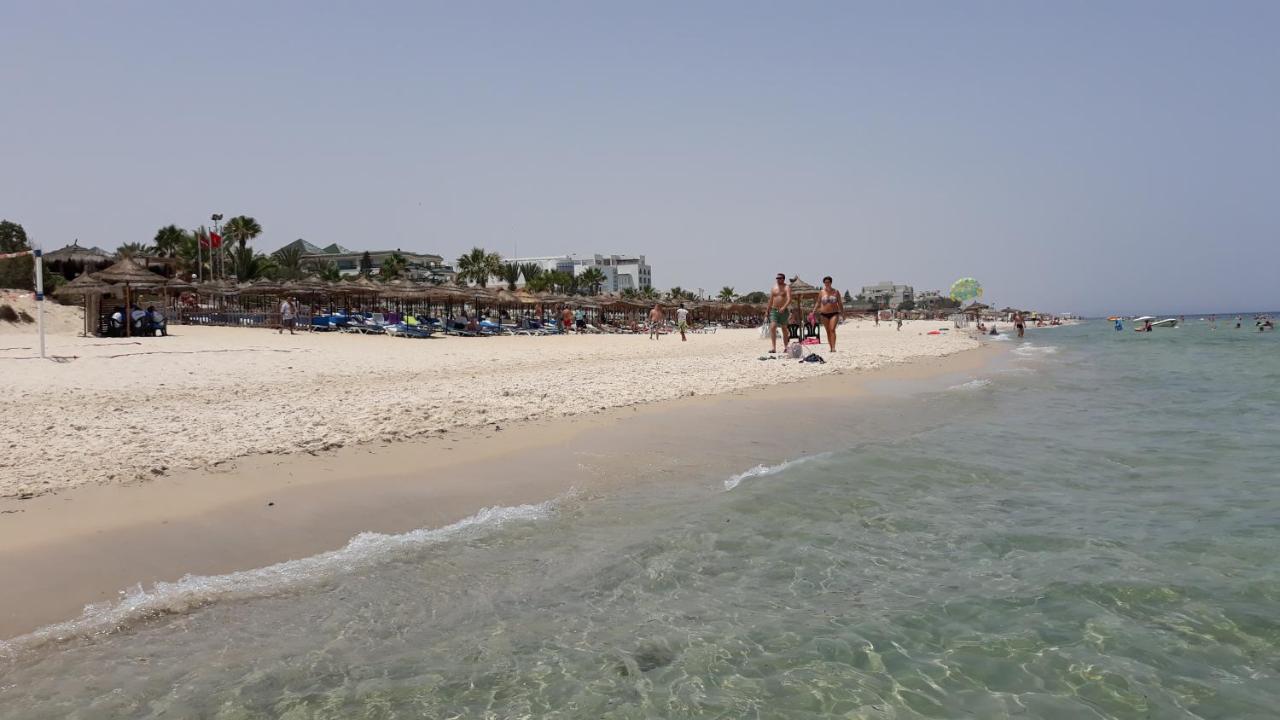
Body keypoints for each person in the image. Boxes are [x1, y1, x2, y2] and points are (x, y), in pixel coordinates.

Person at [812, 276, 843, 352]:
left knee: (832, 329)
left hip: (834, 313)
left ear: (831, 283)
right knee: (828, 331)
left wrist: (843, 313)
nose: (827, 284)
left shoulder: (836, 292)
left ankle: (833, 347)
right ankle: (831, 347)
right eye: (825, 282)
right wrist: (814, 311)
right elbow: (818, 302)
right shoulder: (822, 292)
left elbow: (840, 303)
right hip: (824, 314)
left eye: (828, 282)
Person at [767, 273, 792, 354]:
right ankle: (773, 348)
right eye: (777, 278)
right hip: (774, 310)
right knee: (773, 327)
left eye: (780, 278)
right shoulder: (773, 288)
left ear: (783, 279)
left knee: (784, 328)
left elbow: (789, 299)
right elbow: (771, 300)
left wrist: (784, 307)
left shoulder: (787, 287)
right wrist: (767, 310)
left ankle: (786, 347)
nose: (778, 279)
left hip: (784, 311)